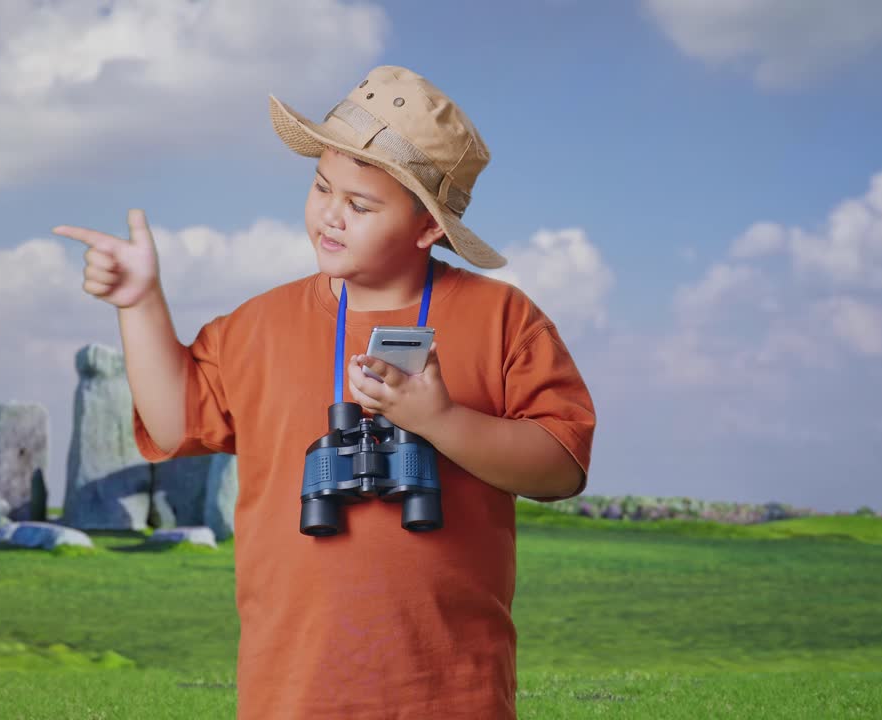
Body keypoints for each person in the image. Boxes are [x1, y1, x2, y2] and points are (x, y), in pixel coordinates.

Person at [54, 65, 596, 719]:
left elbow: (561, 466)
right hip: (293, 691)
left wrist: (442, 422)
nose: (330, 216)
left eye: (360, 206)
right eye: (320, 188)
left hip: (451, 694)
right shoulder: (255, 327)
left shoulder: (503, 320)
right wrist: (140, 303)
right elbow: (172, 426)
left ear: (428, 228)